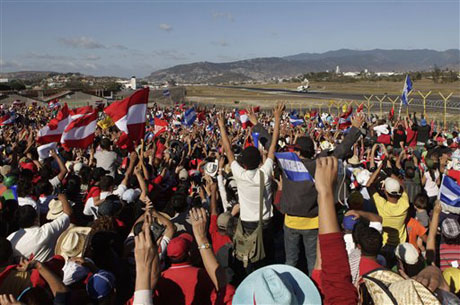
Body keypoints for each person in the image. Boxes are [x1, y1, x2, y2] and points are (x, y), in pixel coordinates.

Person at [7, 194, 72, 262]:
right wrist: (63, 198)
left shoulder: (10, 239)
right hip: (45, 271)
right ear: (36, 219)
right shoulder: (46, 231)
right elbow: (67, 213)